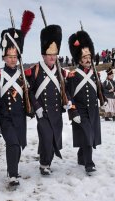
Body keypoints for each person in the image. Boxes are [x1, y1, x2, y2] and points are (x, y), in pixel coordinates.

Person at [0, 27, 32, 186]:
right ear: (4, 57)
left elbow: (29, 95)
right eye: (9, 57)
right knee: (13, 144)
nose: (13, 60)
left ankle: (11, 169)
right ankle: (13, 175)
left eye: (15, 57)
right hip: (5, 117)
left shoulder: (22, 76)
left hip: (20, 117)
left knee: (19, 145)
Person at [28, 25, 69, 176]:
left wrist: (67, 100)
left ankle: (48, 161)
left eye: (55, 54)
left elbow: (65, 89)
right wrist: (36, 106)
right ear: (43, 55)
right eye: (49, 54)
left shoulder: (61, 71)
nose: (52, 57)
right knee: (46, 136)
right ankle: (44, 164)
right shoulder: (35, 70)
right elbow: (29, 90)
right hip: (42, 112)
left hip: (57, 111)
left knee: (54, 137)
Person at [66, 30, 102, 174]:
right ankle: (89, 164)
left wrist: (103, 99)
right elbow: (68, 95)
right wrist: (73, 111)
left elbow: (99, 90)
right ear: (79, 59)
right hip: (80, 111)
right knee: (87, 134)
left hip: (93, 110)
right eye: (84, 57)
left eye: (89, 56)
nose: (88, 59)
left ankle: (81, 156)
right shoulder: (73, 76)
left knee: (90, 135)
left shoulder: (96, 74)